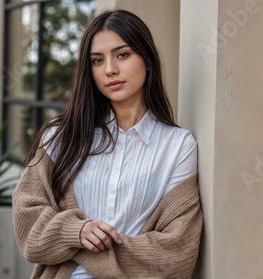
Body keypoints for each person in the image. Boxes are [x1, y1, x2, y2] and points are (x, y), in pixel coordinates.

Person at [12, 9, 202, 279]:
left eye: (122, 55)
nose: (110, 70)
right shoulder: (61, 136)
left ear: (147, 60)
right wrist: (75, 231)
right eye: (97, 61)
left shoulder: (178, 146)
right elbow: (26, 222)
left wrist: (83, 247)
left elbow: (178, 252)